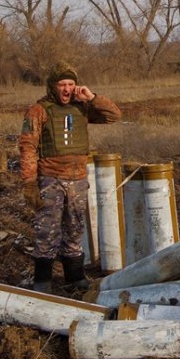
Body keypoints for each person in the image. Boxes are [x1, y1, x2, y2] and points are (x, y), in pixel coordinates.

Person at [19, 61, 121, 294]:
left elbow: (114, 115)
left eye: (71, 84)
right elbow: (27, 146)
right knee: (47, 229)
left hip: (77, 179)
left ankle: (75, 276)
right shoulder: (39, 110)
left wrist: (91, 97)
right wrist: (29, 183)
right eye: (62, 84)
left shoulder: (82, 107)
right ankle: (43, 279)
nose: (66, 89)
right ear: (52, 86)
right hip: (50, 179)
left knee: (75, 228)